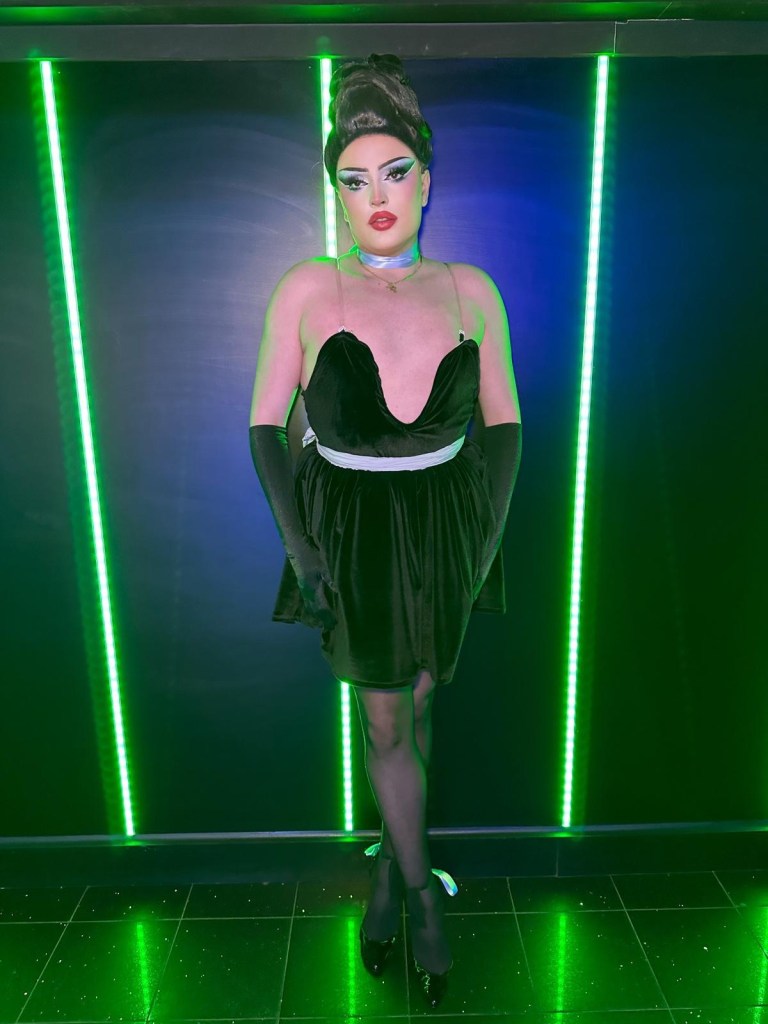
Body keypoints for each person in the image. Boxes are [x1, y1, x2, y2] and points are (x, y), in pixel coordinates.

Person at [249, 53, 521, 1007]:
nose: (376, 197)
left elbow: (505, 426)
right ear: (335, 189)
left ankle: (382, 879)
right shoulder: (305, 288)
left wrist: (482, 545)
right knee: (386, 720)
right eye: (354, 178)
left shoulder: (471, 289)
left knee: (420, 710)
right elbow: (264, 426)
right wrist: (302, 548)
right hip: (352, 535)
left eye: (394, 173)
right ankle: (421, 900)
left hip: (448, 525)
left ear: (426, 181)